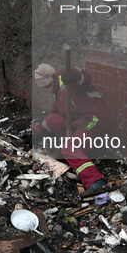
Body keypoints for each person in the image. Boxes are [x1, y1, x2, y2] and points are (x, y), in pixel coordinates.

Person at [33, 63, 113, 198]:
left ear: (44, 85)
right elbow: (50, 118)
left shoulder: (65, 78)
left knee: (68, 149)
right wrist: (35, 134)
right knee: (54, 119)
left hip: (96, 118)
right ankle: (79, 155)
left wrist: (73, 75)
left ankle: (96, 182)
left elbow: (84, 77)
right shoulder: (57, 94)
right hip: (80, 121)